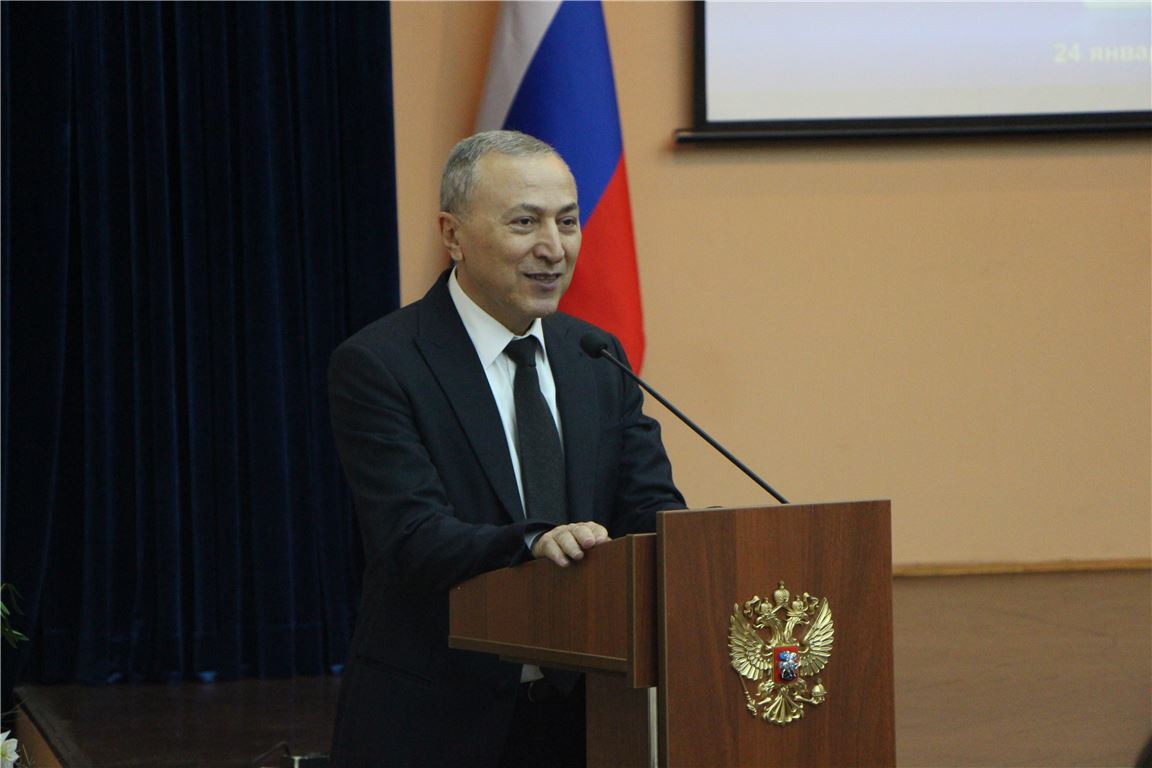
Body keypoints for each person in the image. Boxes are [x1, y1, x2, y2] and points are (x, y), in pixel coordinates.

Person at [327, 130, 684, 767]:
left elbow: (649, 507)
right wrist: (534, 541)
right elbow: (411, 537)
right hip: (438, 721)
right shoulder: (382, 364)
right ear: (453, 234)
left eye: (567, 221)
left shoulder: (595, 356)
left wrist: (707, 548)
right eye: (525, 222)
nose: (554, 248)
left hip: (589, 719)